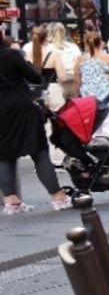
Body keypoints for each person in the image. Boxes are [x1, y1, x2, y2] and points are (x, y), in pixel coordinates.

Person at [0, 30, 71, 214]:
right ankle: (58, 197)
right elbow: (34, 77)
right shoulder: (11, 55)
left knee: (4, 156)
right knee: (39, 152)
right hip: (22, 108)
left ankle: (11, 202)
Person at [75, 31, 109, 143]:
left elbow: (77, 79)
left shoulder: (80, 59)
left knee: (92, 120)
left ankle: (93, 143)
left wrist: (78, 94)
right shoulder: (108, 58)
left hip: (87, 95)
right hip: (108, 93)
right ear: (101, 43)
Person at [45, 24, 82, 98]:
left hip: (55, 84)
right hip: (73, 82)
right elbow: (79, 63)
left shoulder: (46, 48)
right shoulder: (73, 47)